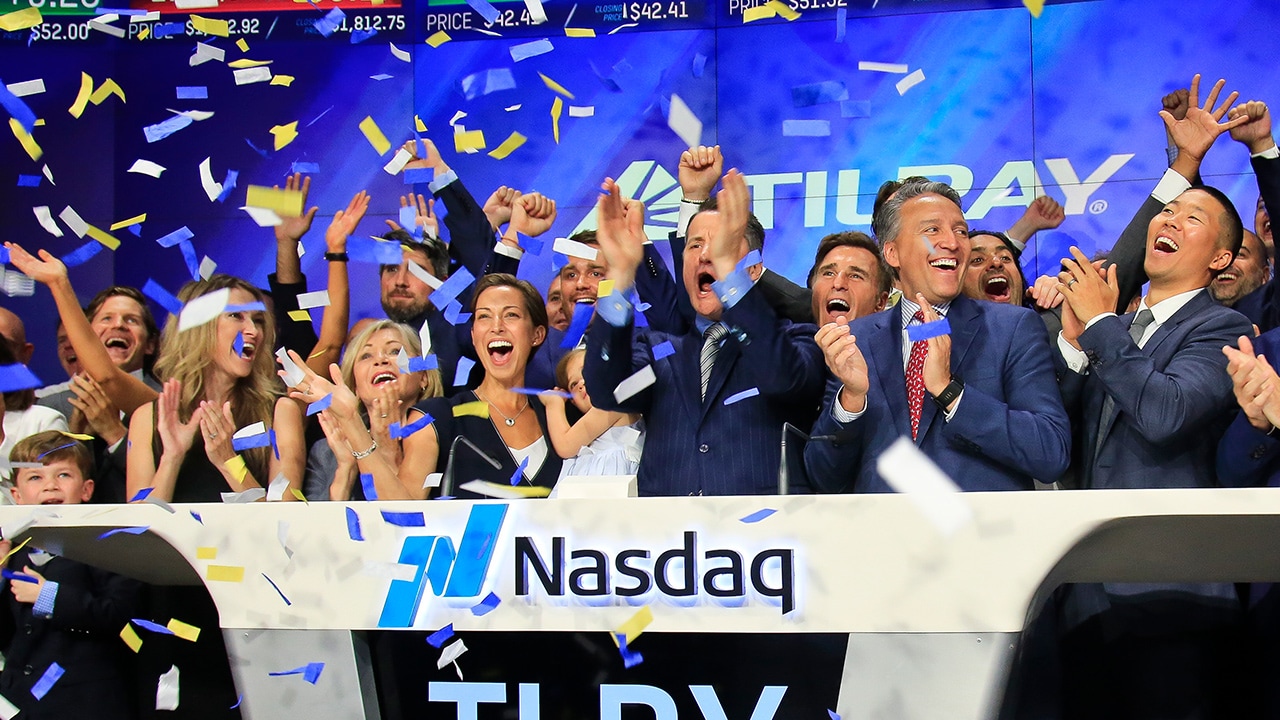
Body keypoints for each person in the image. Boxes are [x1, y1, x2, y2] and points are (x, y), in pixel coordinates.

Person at [1052, 75, 1253, 719]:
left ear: (1222, 260)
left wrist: (1104, 328)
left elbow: (1165, 414)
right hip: (1084, 593)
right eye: (1166, 212)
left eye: (1192, 218)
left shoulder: (1225, 329)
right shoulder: (1112, 326)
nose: (1169, 219)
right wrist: (1075, 346)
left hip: (1173, 593)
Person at [803, 178, 1070, 493]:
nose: (953, 242)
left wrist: (951, 392)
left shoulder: (1012, 328)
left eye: (960, 230)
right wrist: (851, 400)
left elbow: (1051, 451)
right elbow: (823, 478)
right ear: (892, 253)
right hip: (883, 538)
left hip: (983, 536)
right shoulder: (856, 340)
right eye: (932, 231)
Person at [585, 170, 825, 496]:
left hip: (763, 539)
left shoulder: (798, 340)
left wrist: (729, 279)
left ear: (753, 270)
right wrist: (621, 274)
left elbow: (781, 377)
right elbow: (609, 391)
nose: (705, 254)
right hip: (673, 543)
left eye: (723, 244)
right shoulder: (660, 355)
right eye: (694, 244)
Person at [125, 275, 305, 503]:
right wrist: (172, 456)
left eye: (258, 320)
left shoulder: (280, 412)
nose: (253, 330)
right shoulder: (147, 418)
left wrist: (229, 460)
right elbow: (140, 530)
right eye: (236, 316)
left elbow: (284, 521)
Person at [0, 431, 142, 720]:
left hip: (84, 704)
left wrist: (48, 597)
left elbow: (121, 615)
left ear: (87, 489)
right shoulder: (11, 555)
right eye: (35, 478)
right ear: (16, 495)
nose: (50, 486)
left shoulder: (107, 546)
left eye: (63, 475)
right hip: (20, 705)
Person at [400, 273, 563, 496]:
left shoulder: (557, 415)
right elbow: (402, 512)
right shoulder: (437, 418)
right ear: (474, 335)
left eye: (511, 315)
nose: (497, 327)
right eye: (484, 317)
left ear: (537, 334)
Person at [301, 320, 442, 501]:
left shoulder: (444, 433)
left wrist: (389, 453)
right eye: (366, 356)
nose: (381, 360)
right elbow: (318, 527)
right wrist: (346, 470)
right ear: (356, 387)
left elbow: (406, 517)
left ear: (423, 376)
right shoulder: (325, 452)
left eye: (395, 352)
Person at [543, 348, 643, 479]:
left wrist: (553, 403)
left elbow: (565, 445)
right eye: (573, 384)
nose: (581, 384)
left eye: (586, 372)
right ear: (573, 401)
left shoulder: (614, 402)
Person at [807, 231, 891, 326]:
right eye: (829, 273)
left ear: (880, 302)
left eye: (855, 276)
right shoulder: (790, 337)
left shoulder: (902, 339)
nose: (838, 284)